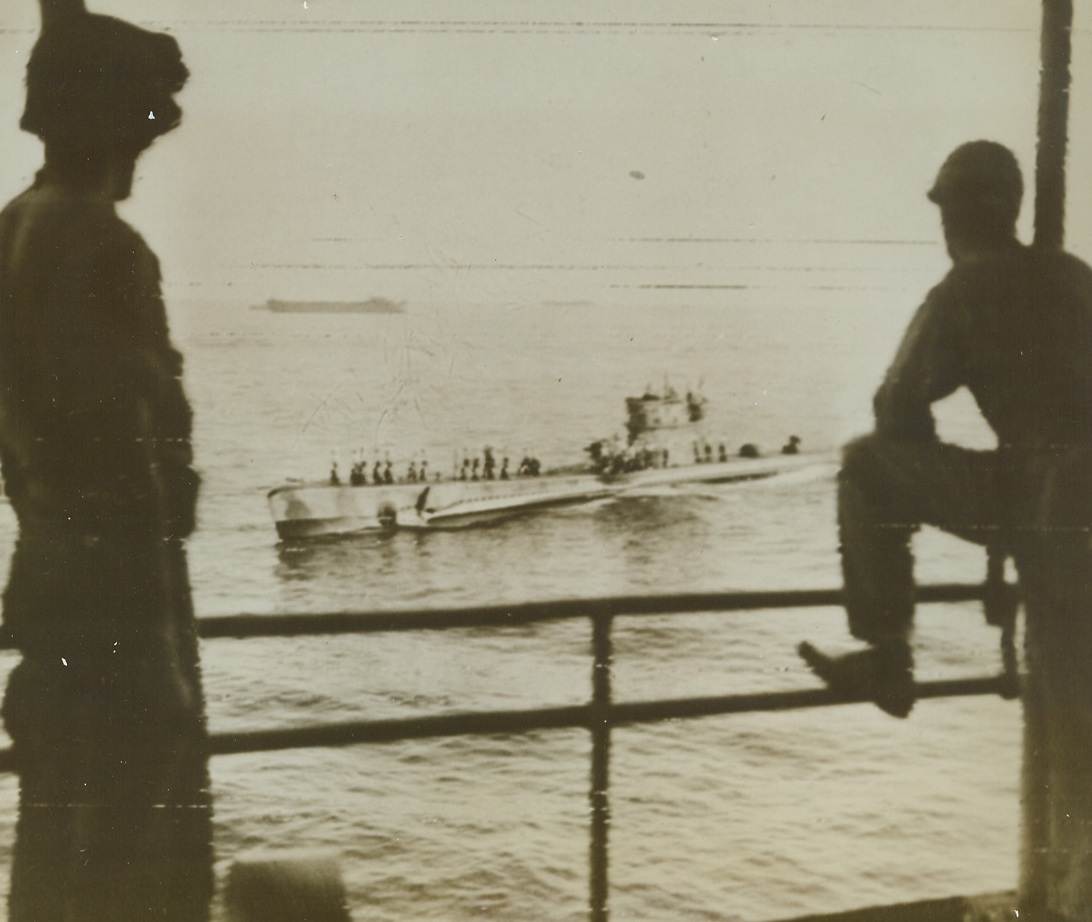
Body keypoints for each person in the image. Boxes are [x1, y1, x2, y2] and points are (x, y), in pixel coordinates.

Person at [798, 141, 1092, 919]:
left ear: (955, 216)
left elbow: (895, 405)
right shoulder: (1075, 277)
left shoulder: (965, 289)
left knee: (867, 464)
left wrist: (976, 507)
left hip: (1043, 500)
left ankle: (887, 652)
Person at [0, 3, 213, 919]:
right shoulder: (108, 248)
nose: (142, 154)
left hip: (45, 591)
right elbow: (136, 468)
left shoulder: (10, 229)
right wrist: (159, 662)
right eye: (139, 132)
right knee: (132, 864)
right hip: (120, 612)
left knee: (54, 849)